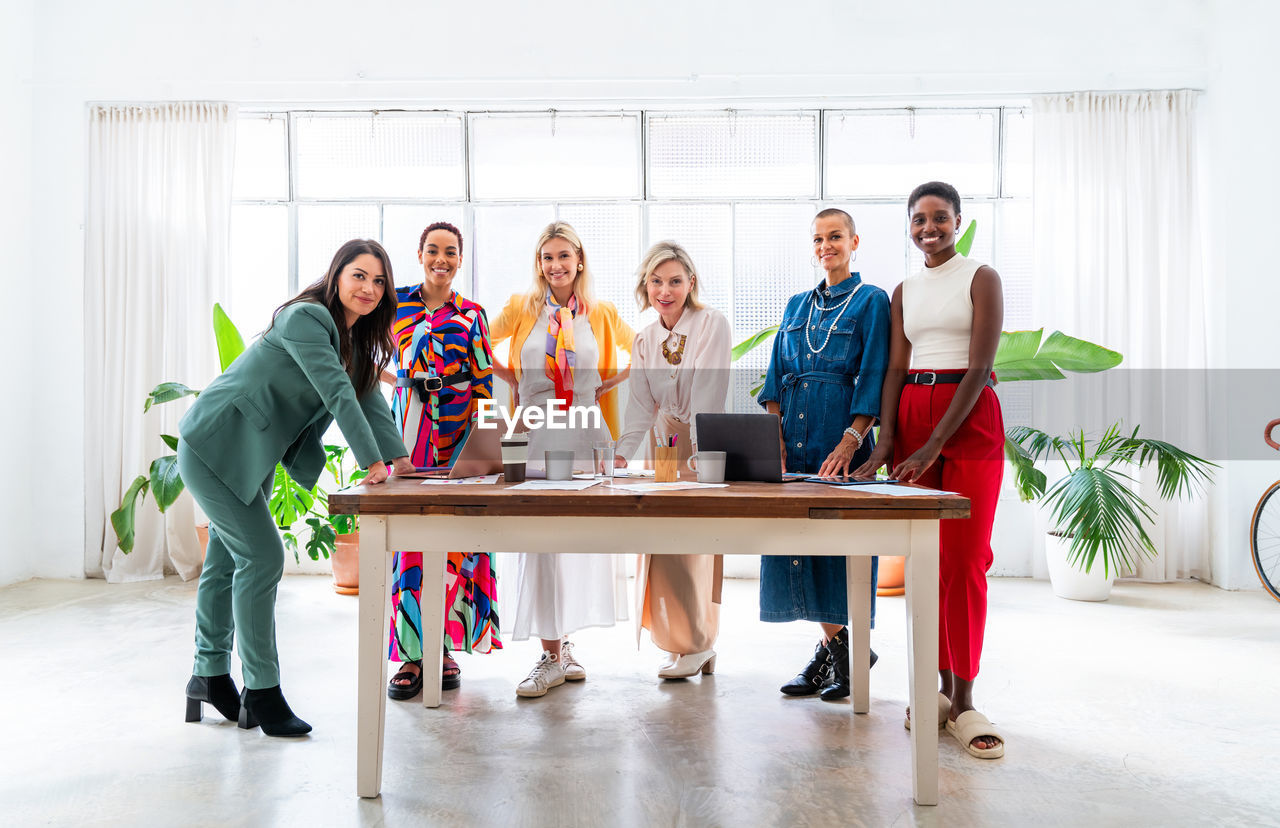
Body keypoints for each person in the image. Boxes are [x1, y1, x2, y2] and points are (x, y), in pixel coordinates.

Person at [178, 239, 410, 736]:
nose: (369, 288)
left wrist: (401, 460)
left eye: (378, 281)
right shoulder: (307, 318)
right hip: (215, 442)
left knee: (225, 562)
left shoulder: (353, 341)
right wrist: (371, 461)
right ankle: (262, 691)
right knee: (262, 558)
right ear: (336, 276)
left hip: (252, 452)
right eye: (358, 276)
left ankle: (209, 674)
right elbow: (336, 391)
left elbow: (365, 394)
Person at [855, 181, 1006, 758]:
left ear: (958, 220)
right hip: (915, 415)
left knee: (966, 560)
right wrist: (886, 441)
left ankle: (964, 699)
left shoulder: (980, 277)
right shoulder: (903, 291)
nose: (929, 228)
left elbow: (982, 363)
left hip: (967, 417)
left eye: (940, 218)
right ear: (909, 225)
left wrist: (937, 443)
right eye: (919, 219)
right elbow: (896, 369)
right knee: (927, 561)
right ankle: (936, 688)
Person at [489, 221, 634, 697]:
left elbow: (642, 350)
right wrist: (514, 381)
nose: (555, 266)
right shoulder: (521, 308)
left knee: (574, 543)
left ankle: (563, 647)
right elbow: (476, 342)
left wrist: (602, 387)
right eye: (547, 257)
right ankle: (549, 655)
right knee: (541, 541)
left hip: (585, 431)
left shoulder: (603, 313)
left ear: (579, 260)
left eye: (563, 256)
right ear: (539, 264)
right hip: (536, 429)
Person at [756, 208, 890, 701]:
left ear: (854, 241)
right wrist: (773, 439)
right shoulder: (796, 306)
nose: (825, 246)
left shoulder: (872, 301)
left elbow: (874, 374)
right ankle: (843, 655)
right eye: (817, 239)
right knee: (798, 547)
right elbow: (775, 377)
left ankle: (840, 658)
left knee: (838, 551)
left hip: (842, 444)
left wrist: (851, 440)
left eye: (834, 237)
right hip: (794, 442)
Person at [382, 222, 501, 701]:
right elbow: (364, 358)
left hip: (457, 430)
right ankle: (413, 653)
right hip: (408, 430)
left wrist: (484, 442)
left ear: (460, 258)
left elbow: (484, 380)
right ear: (419, 254)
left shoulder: (471, 313)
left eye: (450, 252)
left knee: (458, 535)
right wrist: (393, 382)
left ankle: (447, 648)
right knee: (411, 536)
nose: (441, 259)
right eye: (433, 250)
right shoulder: (393, 305)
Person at [614, 241, 731, 679]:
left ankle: (699, 641)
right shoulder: (645, 338)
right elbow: (640, 407)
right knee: (664, 543)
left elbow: (708, 395)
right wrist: (622, 456)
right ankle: (678, 641)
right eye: (657, 281)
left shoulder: (710, 324)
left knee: (695, 542)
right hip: (662, 445)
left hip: (701, 443)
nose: (666, 290)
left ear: (691, 283)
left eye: (675, 281)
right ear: (646, 286)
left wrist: (699, 454)